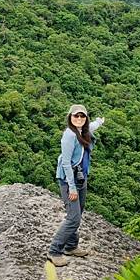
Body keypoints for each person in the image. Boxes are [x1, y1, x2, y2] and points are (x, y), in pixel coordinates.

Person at [47, 103, 105, 267]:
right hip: (69, 180)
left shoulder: (83, 131)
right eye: (75, 116)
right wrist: (72, 187)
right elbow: (66, 163)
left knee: (77, 215)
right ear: (70, 118)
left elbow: (92, 126)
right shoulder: (69, 135)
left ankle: (71, 247)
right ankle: (54, 251)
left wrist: (100, 121)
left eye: (82, 116)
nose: (79, 118)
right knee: (73, 218)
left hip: (81, 178)